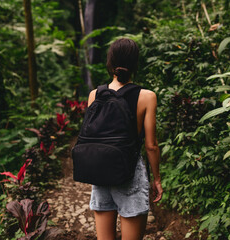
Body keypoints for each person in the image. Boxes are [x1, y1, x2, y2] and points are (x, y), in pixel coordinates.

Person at [87, 38, 163, 240]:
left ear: (109, 62)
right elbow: (151, 146)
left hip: (100, 173)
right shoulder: (147, 96)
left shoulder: (94, 95)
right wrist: (156, 179)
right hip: (130, 174)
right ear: (136, 64)